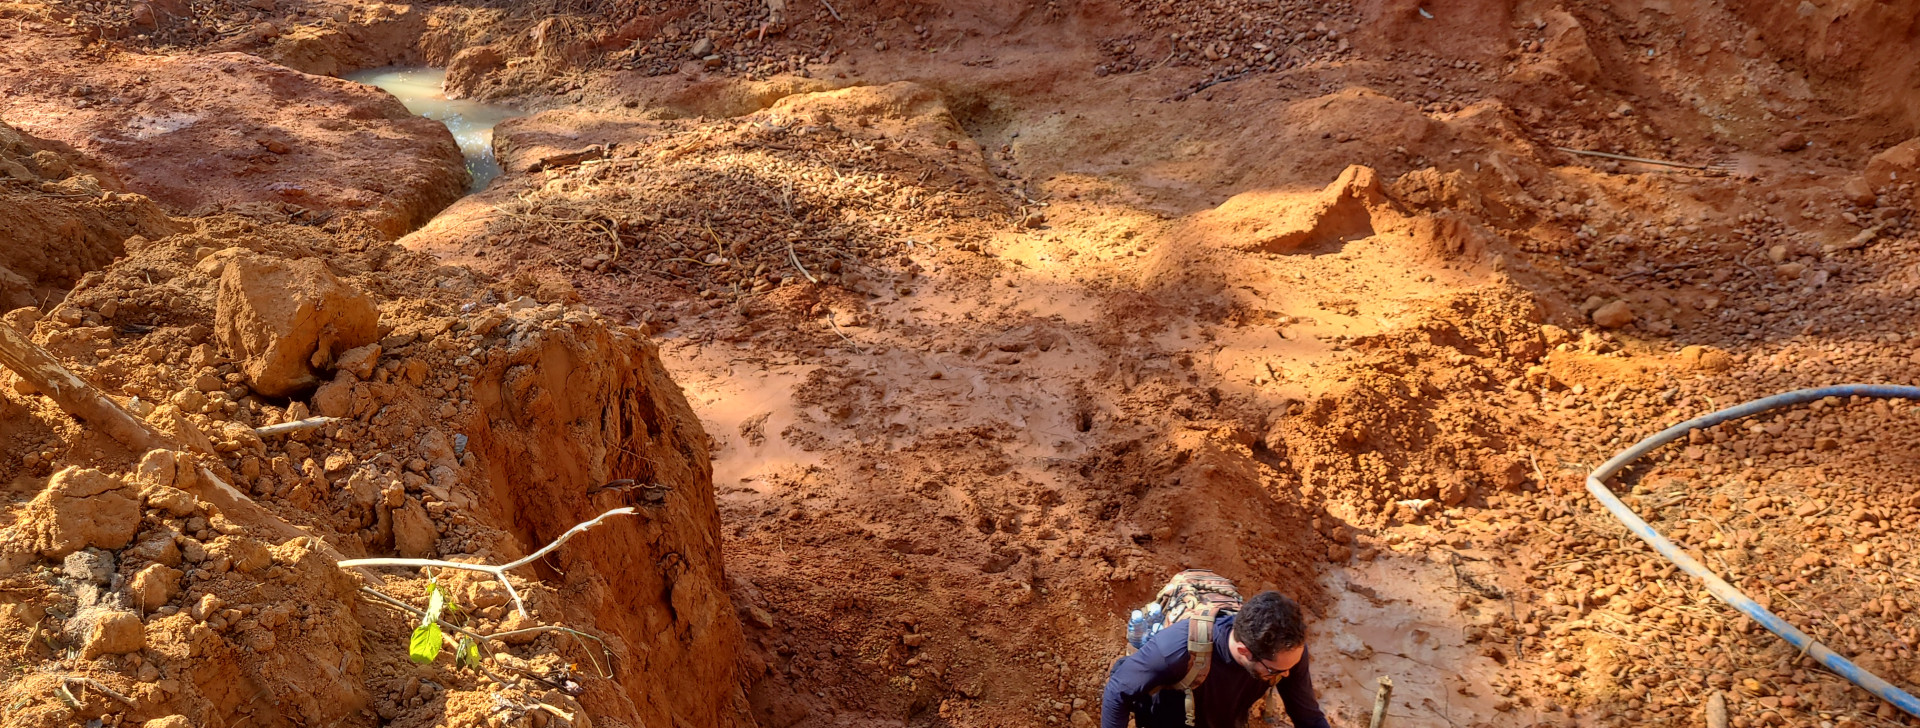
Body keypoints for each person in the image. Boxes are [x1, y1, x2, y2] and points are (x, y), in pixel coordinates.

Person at [1101, 591, 1330, 728]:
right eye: (1276, 672)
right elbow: (1117, 691)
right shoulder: (1176, 650)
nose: (1287, 674)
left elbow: (1308, 717)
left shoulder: (1286, 655)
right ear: (1244, 651)